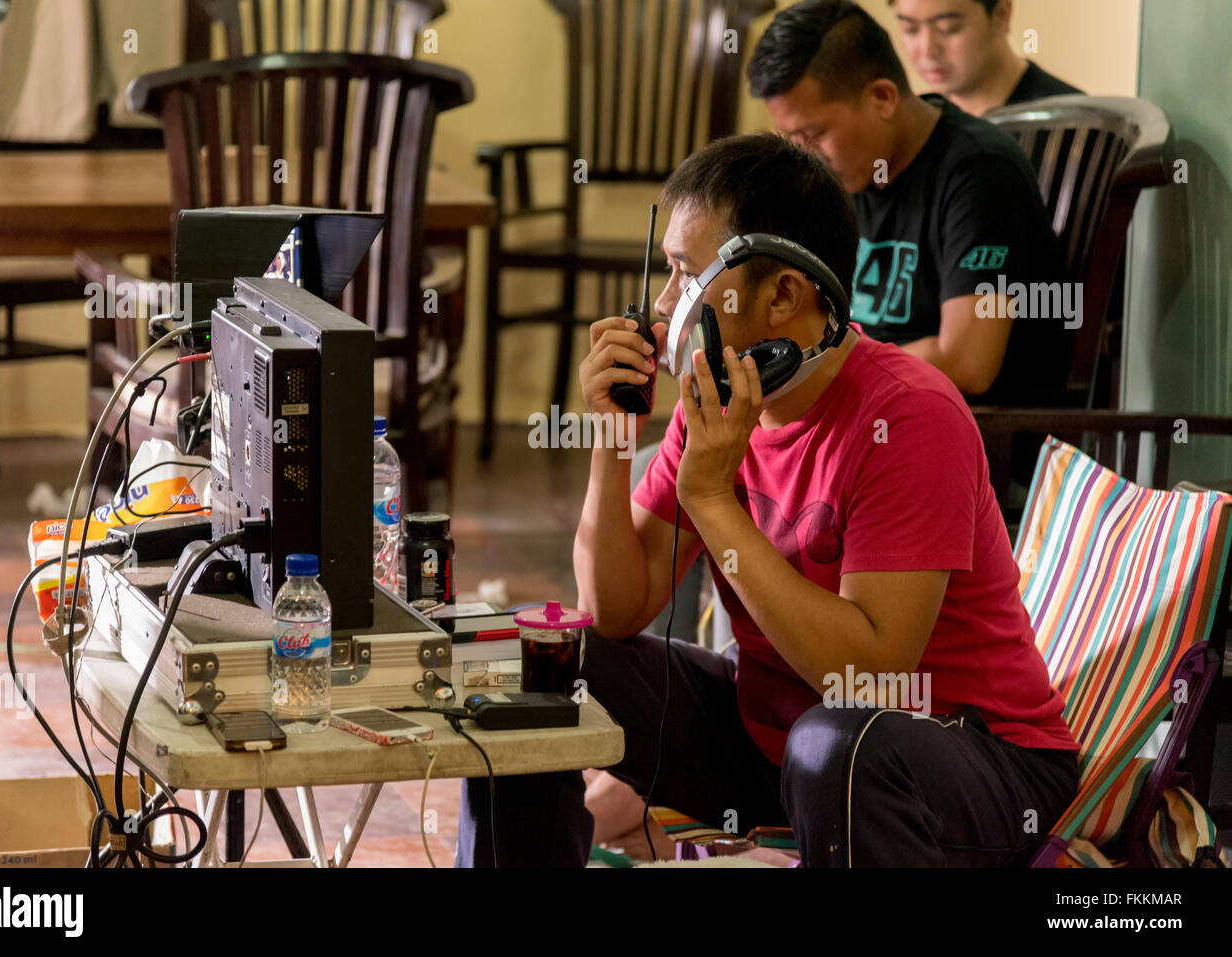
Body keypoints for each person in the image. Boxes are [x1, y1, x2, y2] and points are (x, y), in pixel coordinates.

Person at [454, 132, 1079, 868]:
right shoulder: (713, 402)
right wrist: (612, 439)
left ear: (783, 293)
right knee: (542, 660)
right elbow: (615, 608)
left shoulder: (910, 416)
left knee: (837, 745)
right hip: (784, 742)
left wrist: (715, 504)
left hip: (964, 759)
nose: (663, 306)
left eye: (686, 276)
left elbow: (868, 674)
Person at [747, 0, 1074, 411]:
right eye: (791, 136)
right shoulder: (847, 171)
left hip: (954, 432)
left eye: (813, 134)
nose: (804, 153)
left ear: (882, 98)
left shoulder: (981, 172)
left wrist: (815, 367)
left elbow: (968, 362)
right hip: (858, 410)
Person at [890, 0, 1083, 116]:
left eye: (948, 27)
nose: (927, 50)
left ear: (1001, 14)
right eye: (911, 30)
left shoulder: (1077, 124)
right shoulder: (916, 128)